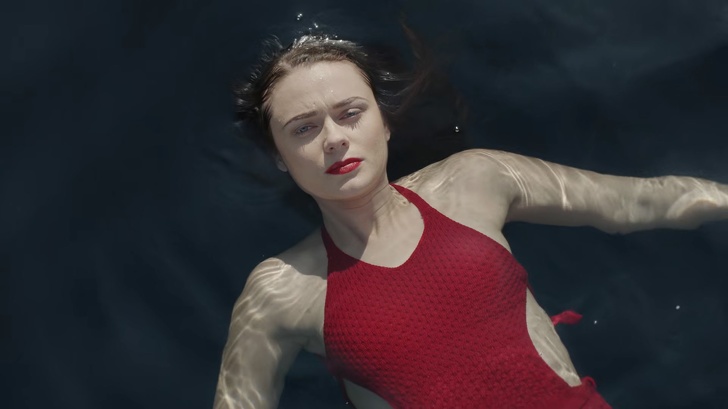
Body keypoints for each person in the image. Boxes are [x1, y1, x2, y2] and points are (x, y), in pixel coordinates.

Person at [213, 33, 728, 409]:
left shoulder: (474, 181)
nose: (333, 138)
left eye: (350, 113)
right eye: (303, 128)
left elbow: (636, 204)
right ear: (279, 156)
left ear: (384, 122)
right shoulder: (280, 292)